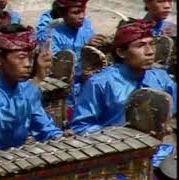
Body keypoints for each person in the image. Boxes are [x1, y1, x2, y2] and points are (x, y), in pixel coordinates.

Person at [69, 20, 177, 174]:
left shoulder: (161, 78)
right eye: (140, 45)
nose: (150, 51)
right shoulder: (100, 83)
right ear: (121, 52)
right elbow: (80, 126)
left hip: (159, 154)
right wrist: (121, 136)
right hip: (115, 158)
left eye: (152, 44)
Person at [0, 24, 63, 157]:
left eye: (31, 58)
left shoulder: (26, 88)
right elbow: (2, 120)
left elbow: (42, 126)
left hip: (12, 159)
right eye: (21, 57)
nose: (28, 64)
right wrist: (37, 79)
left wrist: (59, 137)